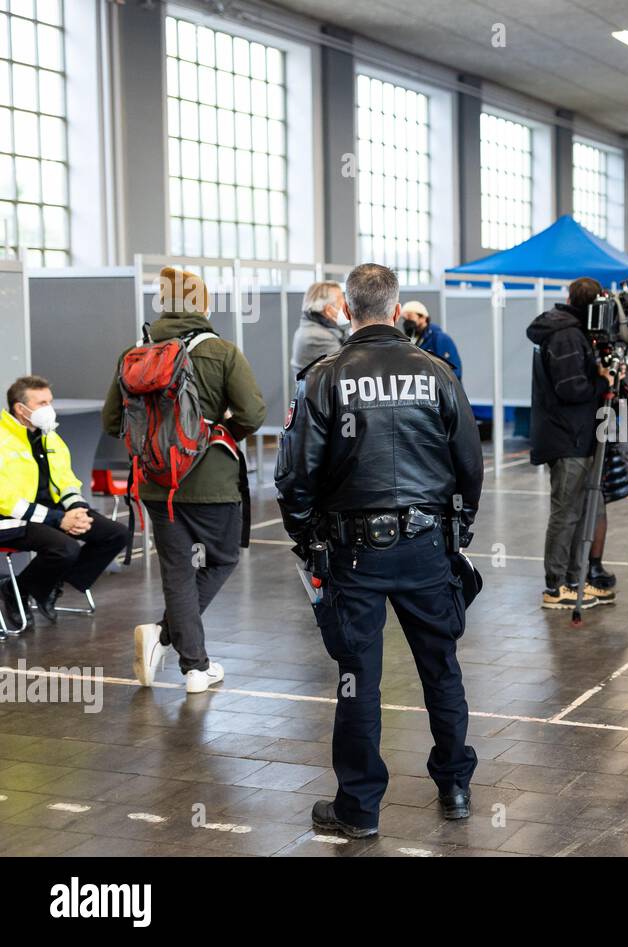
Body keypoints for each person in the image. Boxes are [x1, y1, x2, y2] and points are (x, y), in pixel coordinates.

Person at [275, 263, 484, 835]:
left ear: (348, 309)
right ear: (396, 311)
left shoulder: (323, 377)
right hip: (426, 549)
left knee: (357, 678)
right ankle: (455, 787)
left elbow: (294, 476)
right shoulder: (436, 372)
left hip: (353, 554)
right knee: (440, 668)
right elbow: (470, 463)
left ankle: (359, 808)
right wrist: (456, 536)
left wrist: (308, 541)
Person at [104, 268, 266, 695]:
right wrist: (221, 428)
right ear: (204, 305)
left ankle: (194, 666)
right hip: (212, 480)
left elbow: (112, 422)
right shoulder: (222, 352)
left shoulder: (133, 355)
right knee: (223, 559)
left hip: (156, 484)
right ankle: (166, 638)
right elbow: (253, 413)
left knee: (176, 571)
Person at [0, 376, 129, 629]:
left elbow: (68, 481)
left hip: (49, 514)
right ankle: (18, 594)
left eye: (50, 401)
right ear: (20, 408)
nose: (49, 408)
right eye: (42, 402)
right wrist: (60, 519)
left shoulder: (49, 437)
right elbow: (6, 500)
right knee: (66, 548)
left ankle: (48, 585)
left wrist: (77, 510)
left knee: (116, 534)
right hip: (10, 519)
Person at [525, 278, 617, 609]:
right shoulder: (565, 335)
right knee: (566, 513)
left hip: (576, 434)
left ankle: (575, 580)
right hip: (567, 438)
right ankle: (555, 587)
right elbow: (570, 389)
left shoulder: (571, 330)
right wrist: (601, 381)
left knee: (584, 510)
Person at [289, 281, 347, 377]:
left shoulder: (311, 327)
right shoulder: (318, 336)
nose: (345, 305)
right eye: (341, 300)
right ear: (328, 310)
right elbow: (347, 369)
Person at [401, 300, 463, 380]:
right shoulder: (412, 341)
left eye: (410, 316)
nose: (407, 321)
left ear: (423, 317)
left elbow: (454, 372)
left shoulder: (440, 339)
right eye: (404, 318)